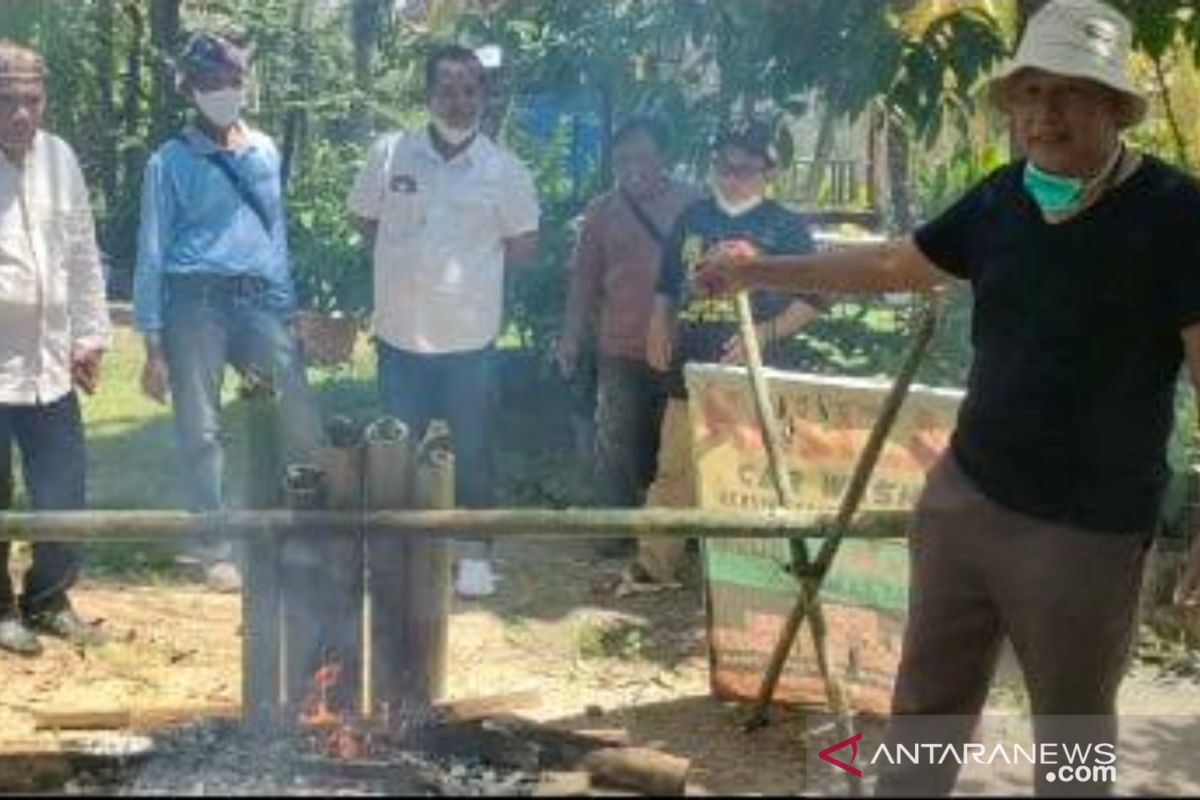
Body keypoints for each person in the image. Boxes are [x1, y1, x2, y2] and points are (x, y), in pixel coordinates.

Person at [698, 1, 1190, 794]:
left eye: (1069, 92)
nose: (1044, 112)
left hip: (1084, 531)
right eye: (1030, 92)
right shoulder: (1002, 199)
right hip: (965, 497)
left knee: (1070, 739)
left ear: (1114, 106)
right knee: (924, 708)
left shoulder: (1177, 215)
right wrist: (756, 270)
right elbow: (896, 265)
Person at [134, 32, 325, 591]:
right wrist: (151, 343)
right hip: (194, 301)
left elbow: (276, 234)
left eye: (232, 82)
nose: (223, 92)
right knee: (201, 425)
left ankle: (300, 528)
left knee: (295, 410)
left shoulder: (263, 150)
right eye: (210, 84)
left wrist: (288, 310)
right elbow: (150, 250)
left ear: (245, 84)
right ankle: (214, 543)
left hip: (260, 299)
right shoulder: (167, 162)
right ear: (191, 90)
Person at [348, 44, 540, 599]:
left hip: (468, 341)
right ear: (427, 94)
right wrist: (407, 264)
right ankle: (392, 551)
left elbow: (523, 247)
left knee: (475, 450)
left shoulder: (505, 171)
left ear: (483, 95)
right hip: (400, 336)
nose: (459, 100)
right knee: (394, 450)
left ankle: (475, 553)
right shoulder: (390, 154)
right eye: (447, 88)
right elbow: (364, 220)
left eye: (470, 89)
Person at [638, 120, 826, 586]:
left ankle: (752, 578)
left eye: (744, 167)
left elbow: (815, 299)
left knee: (753, 475)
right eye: (724, 165)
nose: (732, 175)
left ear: (768, 171)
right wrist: (657, 327)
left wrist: (764, 332)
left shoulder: (787, 228)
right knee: (674, 470)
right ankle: (654, 568)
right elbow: (665, 286)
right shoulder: (691, 218)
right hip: (691, 371)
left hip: (757, 377)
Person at [0, 41, 112, 655]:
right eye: (8, 101)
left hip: (50, 360)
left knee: (63, 487)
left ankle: (48, 598)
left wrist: (89, 336)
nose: (21, 114)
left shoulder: (60, 158)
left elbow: (80, 252)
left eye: (31, 100)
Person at [557, 117, 700, 537]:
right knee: (615, 442)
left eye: (642, 155)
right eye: (622, 159)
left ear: (665, 157)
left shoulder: (695, 205)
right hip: (619, 347)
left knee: (676, 446)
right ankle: (616, 531)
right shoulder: (602, 211)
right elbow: (583, 279)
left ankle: (677, 533)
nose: (631, 166)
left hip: (682, 347)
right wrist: (570, 337)